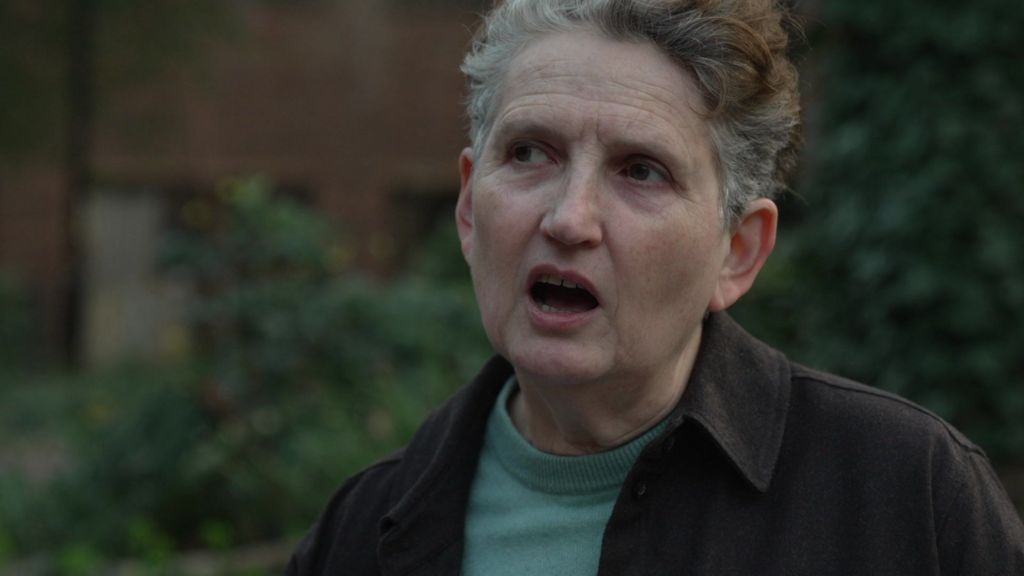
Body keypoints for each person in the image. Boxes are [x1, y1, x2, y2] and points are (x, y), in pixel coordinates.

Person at [287, 0, 1024, 573]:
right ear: (468, 207)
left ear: (737, 252)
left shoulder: (907, 497)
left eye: (641, 169)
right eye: (530, 152)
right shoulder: (361, 532)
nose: (570, 218)